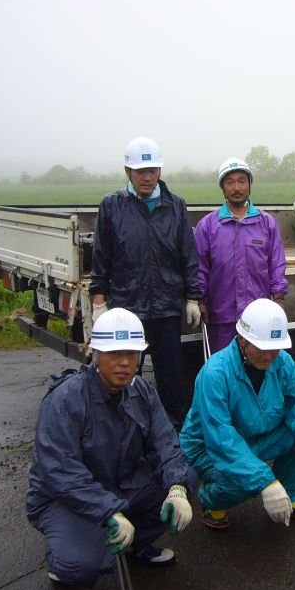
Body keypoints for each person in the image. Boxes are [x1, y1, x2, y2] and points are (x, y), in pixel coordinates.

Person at [26, 308, 197, 587]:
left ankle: (135, 544)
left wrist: (177, 487)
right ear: (95, 354)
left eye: (132, 353)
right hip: (65, 497)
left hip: (119, 483)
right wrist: (108, 511)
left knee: (185, 476)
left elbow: (165, 443)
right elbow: (60, 471)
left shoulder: (141, 390)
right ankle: (63, 560)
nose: (124, 363)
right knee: (81, 566)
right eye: (114, 354)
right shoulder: (67, 399)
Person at [179, 298, 295, 529]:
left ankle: (288, 494)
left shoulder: (283, 363)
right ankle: (212, 500)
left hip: (255, 435)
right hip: (209, 447)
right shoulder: (215, 373)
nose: (268, 356)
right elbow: (220, 437)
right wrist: (266, 482)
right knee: (243, 483)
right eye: (261, 348)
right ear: (242, 339)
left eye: (274, 348)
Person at [90, 136, 202, 430]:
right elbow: (101, 256)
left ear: (160, 171)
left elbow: (188, 255)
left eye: (152, 171)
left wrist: (192, 298)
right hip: (127, 307)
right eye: (140, 171)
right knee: (124, 375)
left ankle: (175, 435)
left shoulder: (175, 206)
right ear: (128, 171)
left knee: (171, 377)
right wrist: (99, 303)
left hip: (166, 306)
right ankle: (122, 433)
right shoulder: (113, 205)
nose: (147, 177)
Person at [194, 157, 288, 354]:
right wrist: (199, 301)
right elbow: (200, 268)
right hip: (221, 316)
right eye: (230, 182)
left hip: (257, 318)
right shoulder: (208, 226)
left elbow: (276, 265)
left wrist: (279, 299)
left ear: (249, 184)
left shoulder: (266, 223)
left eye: (242, 181)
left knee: (257, 365)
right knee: (224, 366)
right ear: (222, 187)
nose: (236, 187)